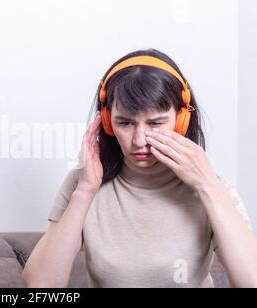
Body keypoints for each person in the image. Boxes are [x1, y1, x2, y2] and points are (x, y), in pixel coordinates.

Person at [22, 49, 257, 288]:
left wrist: (208, 187)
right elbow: (40, 288)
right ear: (107, 122)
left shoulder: (215, 189)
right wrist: (84, 191)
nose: (139, 140)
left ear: (181, 120)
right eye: (125, 123)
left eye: (155, 123)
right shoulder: (83, 183)